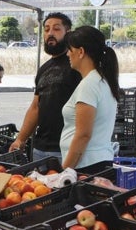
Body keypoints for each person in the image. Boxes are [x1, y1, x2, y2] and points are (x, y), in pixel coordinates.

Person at [11, 13, 80, 162]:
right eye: (47, 29)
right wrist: (20, 139)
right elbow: (35, 107)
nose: (50, 34)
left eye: (56, 29)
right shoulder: (43, 69)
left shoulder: (76, 65)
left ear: (68, 33)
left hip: (66, 149)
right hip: (40, 148)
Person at [59, 25, 122, 175]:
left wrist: (65, 171)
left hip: (87, 166)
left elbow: (83, 135)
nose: (68, 54)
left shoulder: (89, 85)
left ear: (81, 52)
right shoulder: (101, 80)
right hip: (96, 163)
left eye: (70, 50)